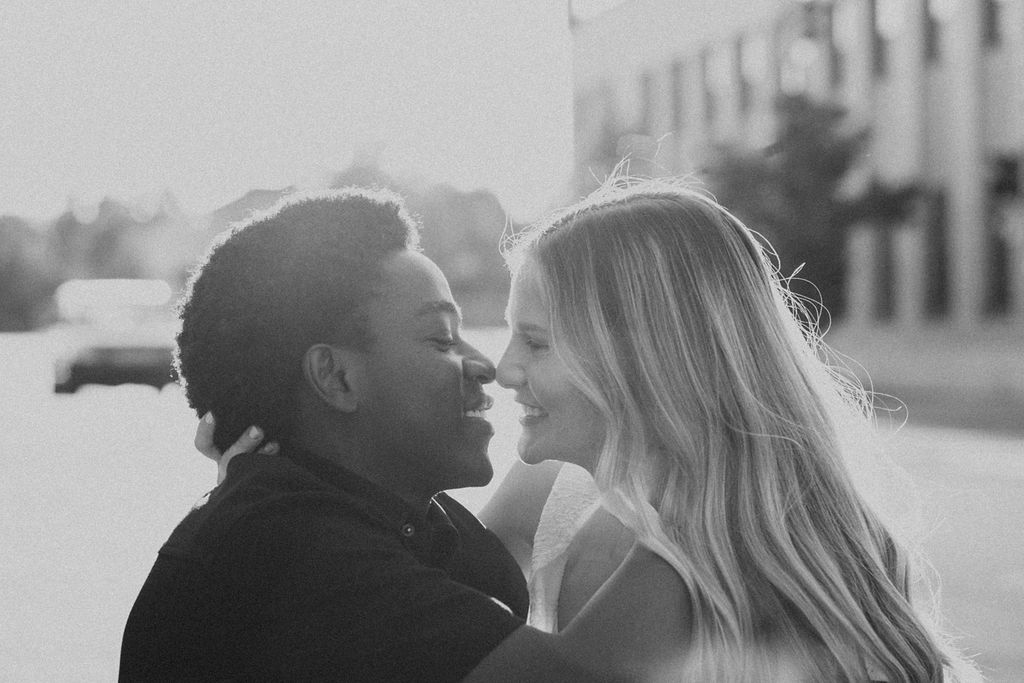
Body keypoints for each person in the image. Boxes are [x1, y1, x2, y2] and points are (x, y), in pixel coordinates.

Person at [196, 179, 980, 681]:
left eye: (534, 341)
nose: (501, 370)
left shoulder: (751, 547)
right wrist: (274, 484)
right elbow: (436, 583)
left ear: (644, 358)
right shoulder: (555, 490)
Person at [119, 188, 644, 681]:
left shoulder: (361, 514)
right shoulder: (287, 552)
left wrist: (609, 402)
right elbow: (583, 675)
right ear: (337, 377)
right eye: (441, 340)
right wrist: (704, 470)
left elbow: (514, 541)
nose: (487, 366)